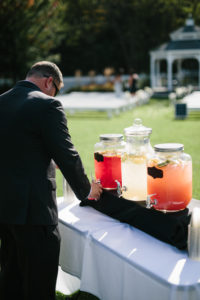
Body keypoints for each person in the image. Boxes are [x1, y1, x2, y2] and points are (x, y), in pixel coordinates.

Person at [0, 61, 102, 300]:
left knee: (11, 276)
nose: (55, 94)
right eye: (56, 88)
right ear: (49, 82)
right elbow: (68, 154)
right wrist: (88, 191)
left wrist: (43, 158)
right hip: (34, 210)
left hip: (4, 207)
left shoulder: (2, 100)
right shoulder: (48, 104)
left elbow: (17, 147)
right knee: (39, 282)